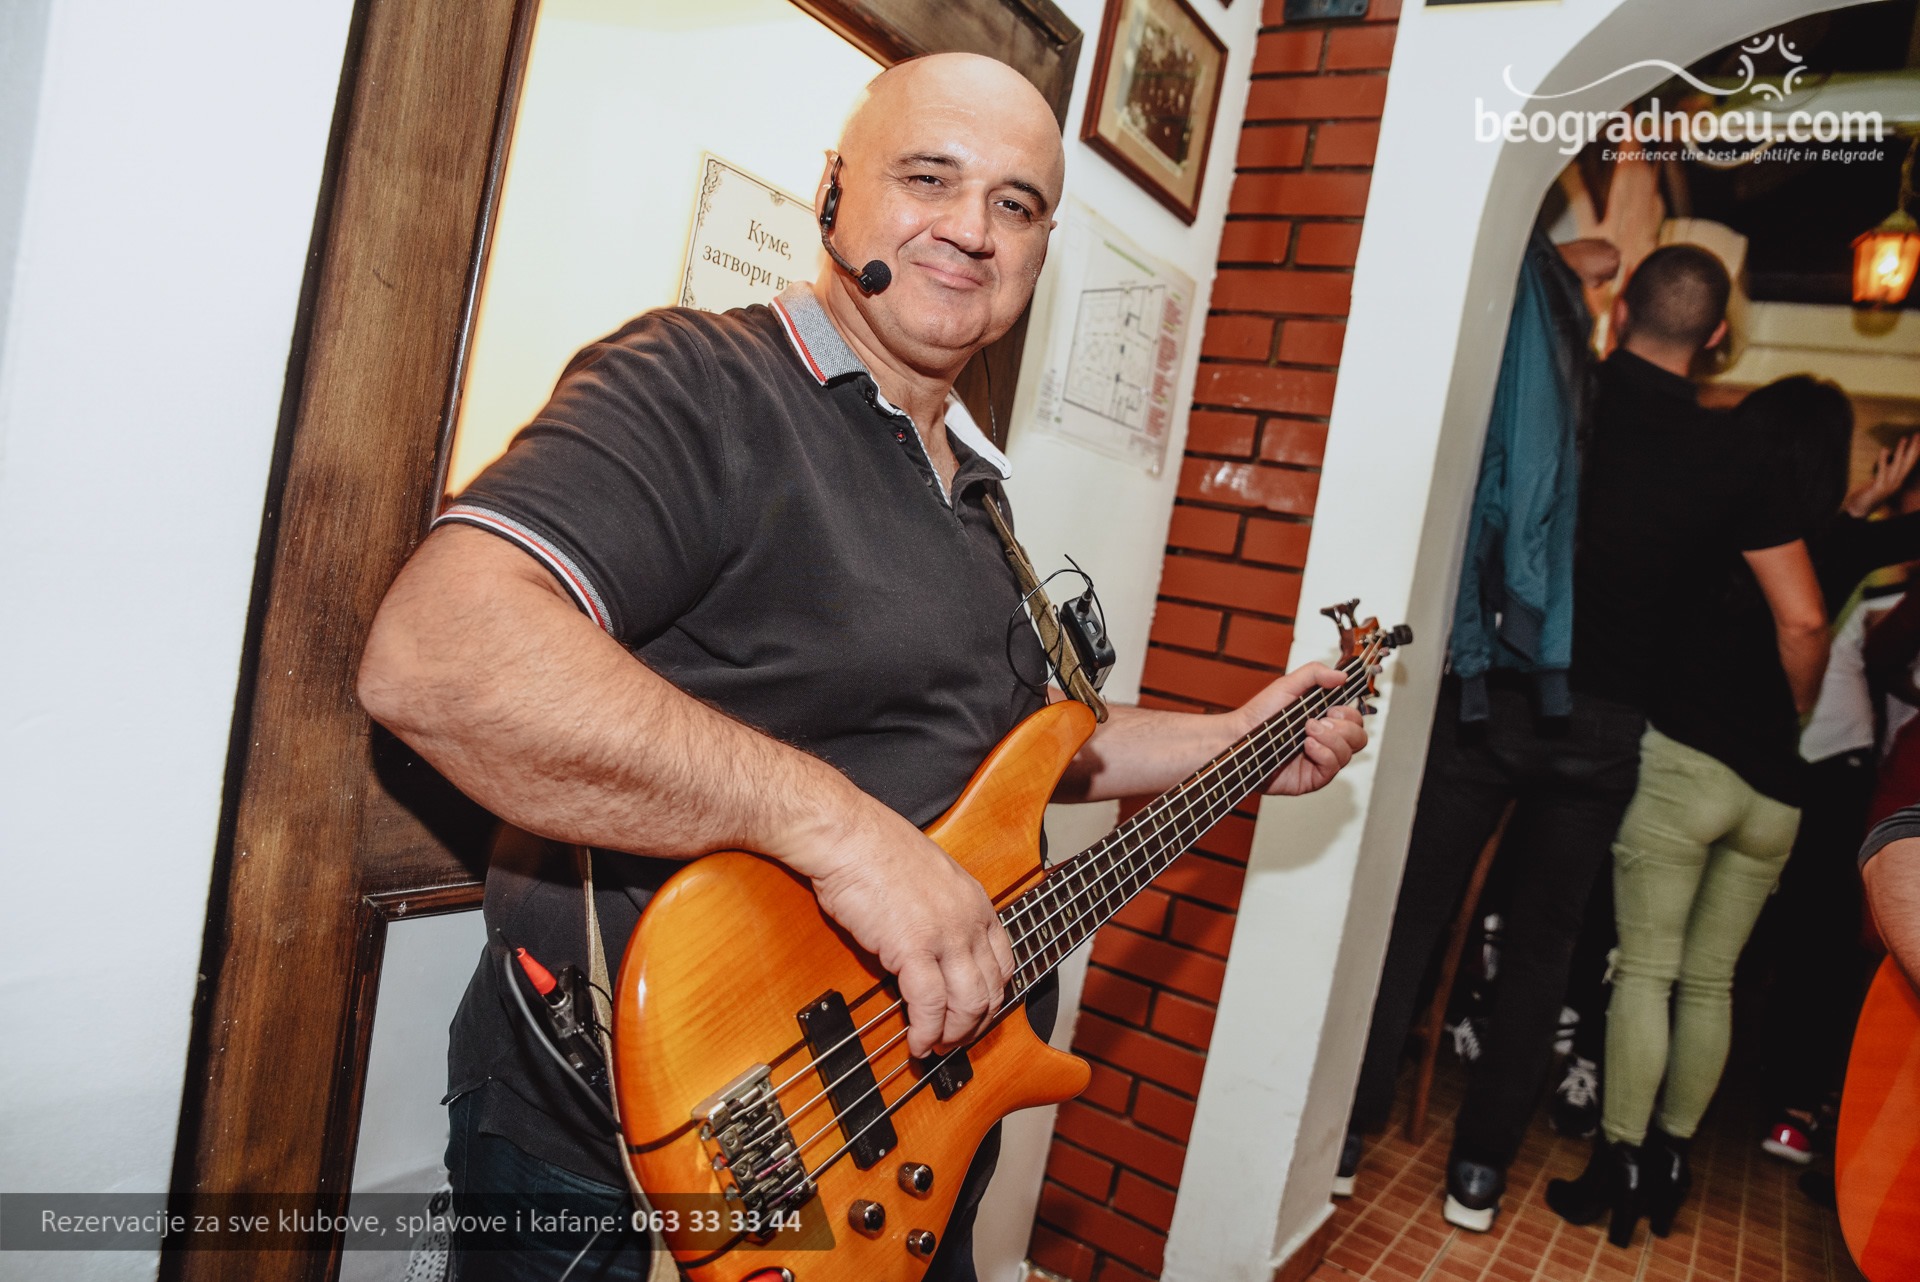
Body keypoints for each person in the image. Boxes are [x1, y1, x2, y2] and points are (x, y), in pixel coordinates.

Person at [356, 53, 1367, 1282]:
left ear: (1039, 251)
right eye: (928, 177)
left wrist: (1247, 735)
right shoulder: (701, 381)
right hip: (643, 1143)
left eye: (1015, 204)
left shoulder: (976, 494)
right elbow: (438, 657)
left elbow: (1032, 751)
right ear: (833, 192)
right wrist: (847, 837)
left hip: (905, 1140)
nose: (972, 228)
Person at [1341, 244, 1807, 1235]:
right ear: (1718, 339)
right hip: (1608, 725)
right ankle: (1478, 1175)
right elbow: (1803, 618)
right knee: (1543, 947)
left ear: (1620, 307)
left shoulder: (1560, 392)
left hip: (1495, 691)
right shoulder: (1736, 454)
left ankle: (1342, 1141)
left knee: (1415, 914)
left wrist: (1578, 262)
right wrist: (1791, 716)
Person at [1545, 373, 1841, 1246]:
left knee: (1645, 971)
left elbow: (1793, 622)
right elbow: (1809, 625)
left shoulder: (1710, 515)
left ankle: (1618, 1167)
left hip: (1686, 767)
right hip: (1776, 791)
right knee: (1712, 982)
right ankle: (1673, 1162)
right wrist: (1793, 712)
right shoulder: (1838, 538)